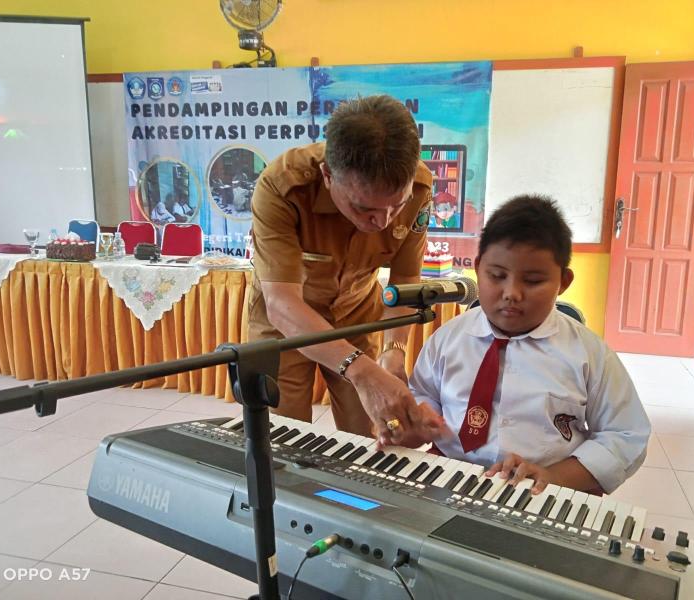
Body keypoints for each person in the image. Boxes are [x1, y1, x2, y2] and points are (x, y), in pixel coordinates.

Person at [407, 195, 650, 495]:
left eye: (533, 281)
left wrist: (554, 476)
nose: (512, 293)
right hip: (450, 473)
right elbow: (424, 392)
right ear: (478, 267)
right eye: (497, 276)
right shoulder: (447, 339)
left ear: (563, 281)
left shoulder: (589, 354)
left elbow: (626, 435)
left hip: (547, 488)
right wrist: (419, 415)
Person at [249, 94, 444, 441]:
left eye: (395, 207)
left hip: (355, 314)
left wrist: (393, 352)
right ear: (327, 175)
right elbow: (280, 303)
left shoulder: (420, 187)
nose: (382, 222)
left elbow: (405, 280)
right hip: (285, 326)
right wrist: (363, 372)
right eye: (364, 208)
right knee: (280, 440)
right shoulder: (282, 186)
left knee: (372, 438)